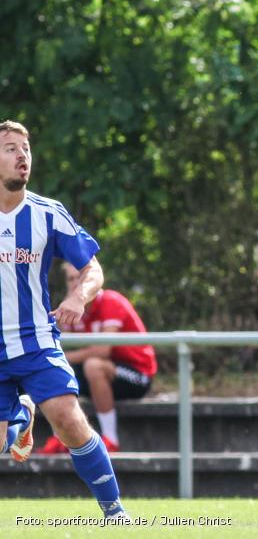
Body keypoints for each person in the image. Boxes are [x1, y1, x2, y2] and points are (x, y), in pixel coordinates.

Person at [0, 120, 127, 518]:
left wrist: (78, 298)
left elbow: (93, 270)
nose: (23, 155)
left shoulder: (48, 213)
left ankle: (115, 513)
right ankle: (20, 417)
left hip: (36, 340)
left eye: (26, 148)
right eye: (10, 148)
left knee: (68, 420)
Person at [38, 262, 156, 454]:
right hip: (99, 372)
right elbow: (56, 337)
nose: (76, 283)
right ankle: (62, 438)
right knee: (55, 373)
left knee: (92, 366)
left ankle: (110, 439)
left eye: (80, 278)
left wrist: (64, 357)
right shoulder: (75, 309)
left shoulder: (111, 302)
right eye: (71, 279)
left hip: (137, 374)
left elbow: (103, 350)